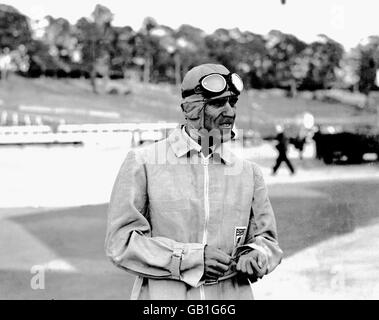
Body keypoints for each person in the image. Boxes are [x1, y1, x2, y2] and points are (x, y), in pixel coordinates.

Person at [105, 63, 283, 300]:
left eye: (233, 102)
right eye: (219, 103)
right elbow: (121, 243)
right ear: (191, 109)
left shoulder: (249, 173)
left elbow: (268, 241)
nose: (230, 111)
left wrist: (255, 254)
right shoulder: (143, 163)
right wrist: (191, 259)